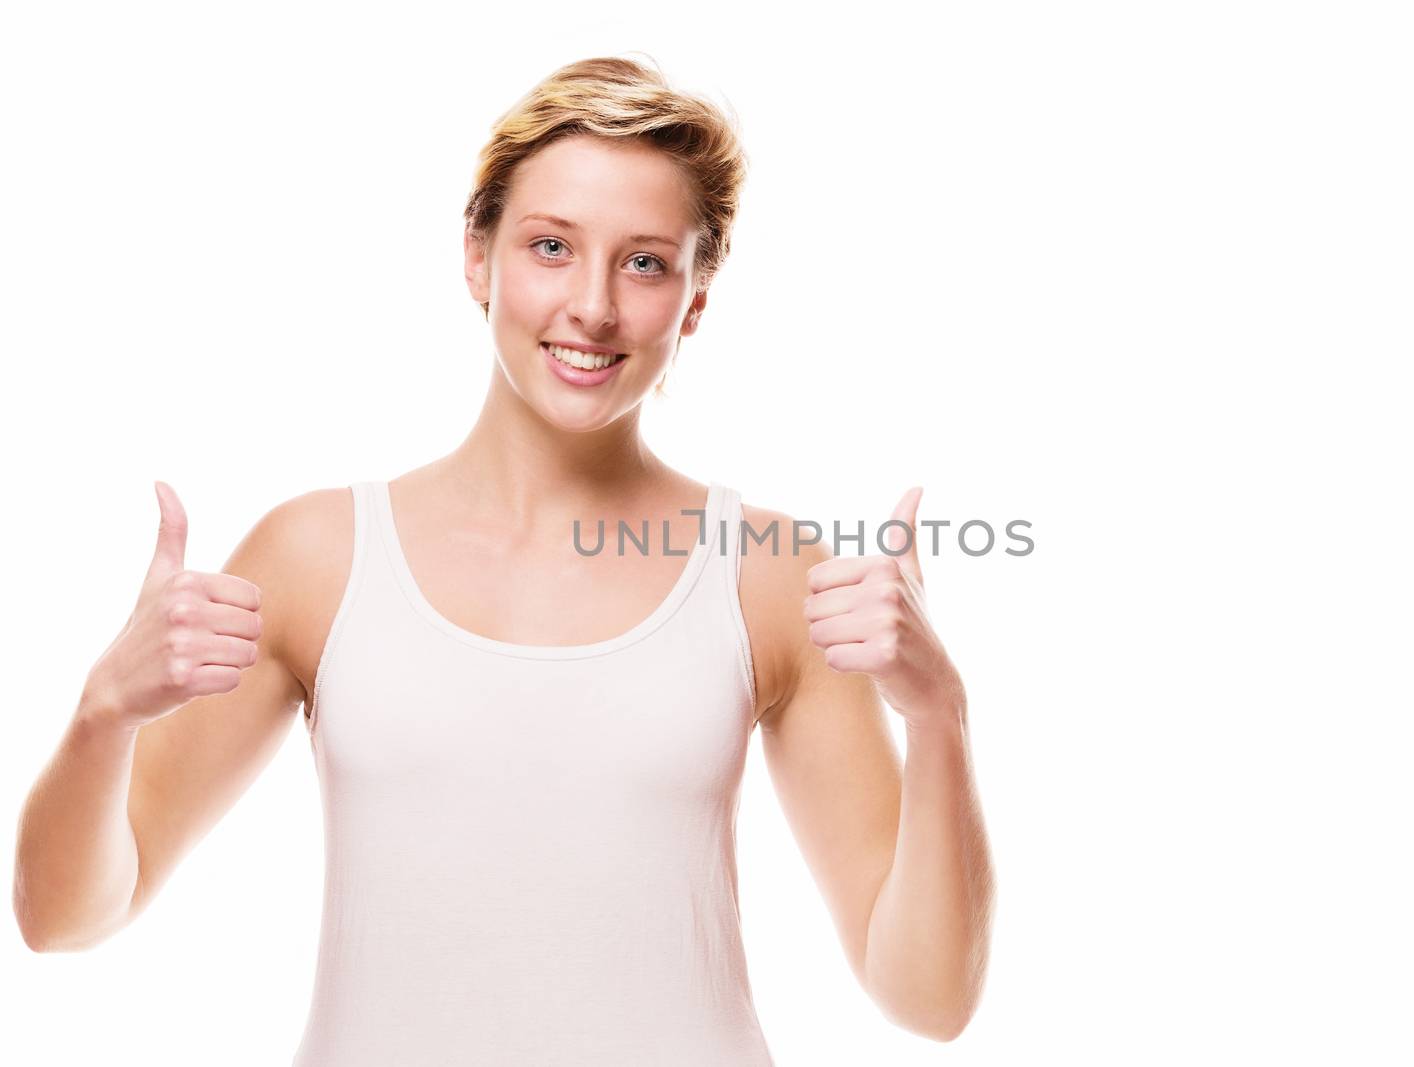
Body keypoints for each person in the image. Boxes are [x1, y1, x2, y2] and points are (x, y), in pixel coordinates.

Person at [12, 55, 995, 1064]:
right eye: (551, 247)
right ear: (477, 257)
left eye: (647, 261)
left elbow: (926, 996)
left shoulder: (770, 573)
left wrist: (938, 713)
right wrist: (104, 711)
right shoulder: (316, 558)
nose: (595, 306)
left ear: (696, 297)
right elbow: (67, 916)